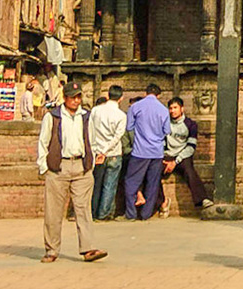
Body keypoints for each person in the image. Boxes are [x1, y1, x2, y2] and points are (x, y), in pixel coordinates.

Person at [35, 83, 106, 263]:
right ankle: (51, 250)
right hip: (59, 166)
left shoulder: (86, 116)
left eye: (78, 97)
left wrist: (91, 162)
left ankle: (88, 248)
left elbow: (92, 140)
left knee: (83, 210)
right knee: (53, 211)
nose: (76, 100)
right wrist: (44, 167)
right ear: (65, 98)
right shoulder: (53, 117)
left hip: (81, 166)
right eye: (72, 97)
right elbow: (43, 142)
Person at [123, 83, 169, 219]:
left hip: (140, 151)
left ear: (145, 93)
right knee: (153, 184)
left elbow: (129, 127)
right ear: (158, 95)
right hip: (157, 152)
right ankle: (146, 214)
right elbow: (167, 131)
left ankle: (131, 213)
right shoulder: (163, 110)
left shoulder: (136, 107)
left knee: (131, 182)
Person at [163, 96, 211, 214]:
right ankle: (162, 202)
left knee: (189, 171)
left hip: (183, 155)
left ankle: (203, 199)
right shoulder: (165, 123)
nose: (172, 111)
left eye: (175, 108)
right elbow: (161, 143)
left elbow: (191, 147)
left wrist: (176, 161)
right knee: (152, 171)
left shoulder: (190, 124)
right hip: (167, 155)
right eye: (170, 108)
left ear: (182, 109)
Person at [87, 84, 127, 221]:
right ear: (121, 98)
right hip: (113, 153)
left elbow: (90, 131)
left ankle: (92, 211)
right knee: (110, 185)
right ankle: (103, 214)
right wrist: (105, 151)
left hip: (97, 152)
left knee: (96, 183)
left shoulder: (96, 111)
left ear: (108, 95)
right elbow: (117, 137)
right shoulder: (121, 115)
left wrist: (97, 150)